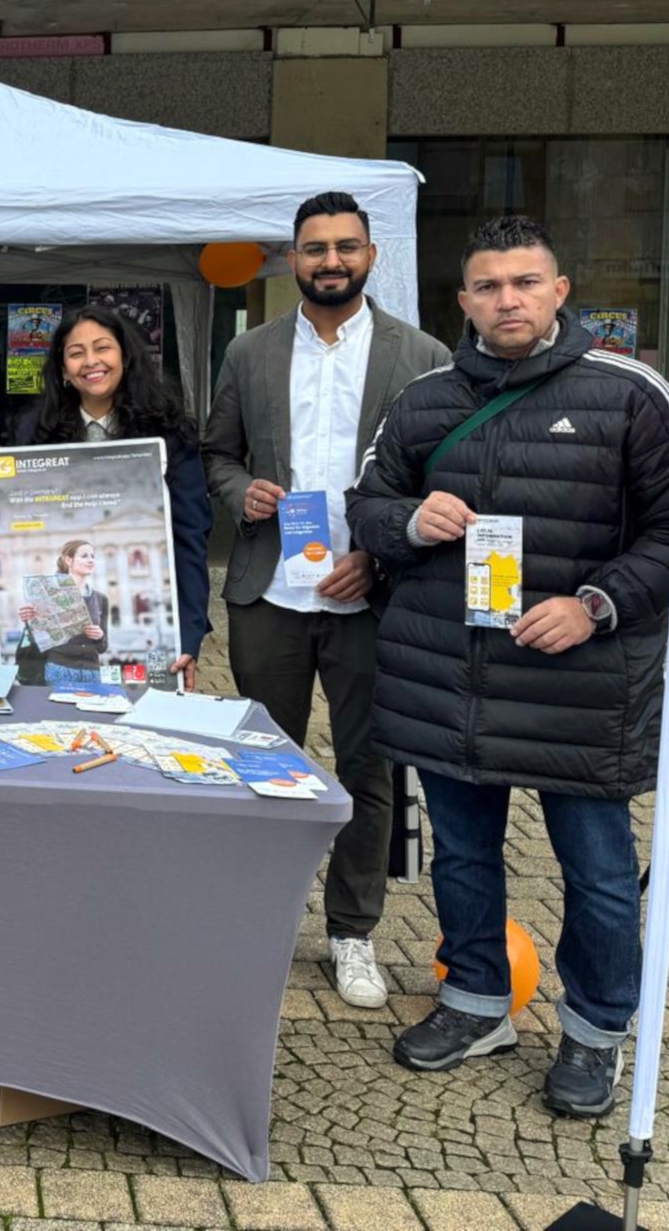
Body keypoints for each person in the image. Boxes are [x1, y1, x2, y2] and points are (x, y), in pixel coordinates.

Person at [348, 215, 669, 1118]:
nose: (508, 301)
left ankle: (597, 1028)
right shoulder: (422, 399)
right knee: (462, 854)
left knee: (599, 871)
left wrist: (594, 604)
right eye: (489, 286)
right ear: (463, 301)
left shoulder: (632, 396)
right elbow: (369, 504)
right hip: (448, 676)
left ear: (560, 290)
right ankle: (476, 1002)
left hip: (578, 684)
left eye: (525, 283)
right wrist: (410, 524)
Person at [202, 191, 452, 1011]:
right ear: (293, 258)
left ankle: (352, 931)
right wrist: (245, 496)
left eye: (346, 246)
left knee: (367, 772)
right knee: (262, 770)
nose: (331, 261)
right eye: (315, 248)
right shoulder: (252, 352)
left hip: (371, 597)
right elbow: (219, 456)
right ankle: (255, 922)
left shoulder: (421, 356)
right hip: (270, 592)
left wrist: (379, 560)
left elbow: (439, 485)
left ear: (371, 256)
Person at [0, 305, 211, 687]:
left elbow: (190, 538)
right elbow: (13, 519)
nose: (91, 361)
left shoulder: (168, 432)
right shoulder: (34, 429)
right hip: (53, 666)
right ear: (63, 369)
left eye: (103, 348)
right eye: (76, 352)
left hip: (148, 654)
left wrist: (189, 635)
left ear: (125, 356)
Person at [18, 539, 110, 684]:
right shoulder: (49, 594)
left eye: (93, 556)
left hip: (92, 673)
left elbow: (103, 647)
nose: (91, 560)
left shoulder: (101, 598)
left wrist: (99, 636)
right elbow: (39, 641)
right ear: (69, 560)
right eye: (84, 556)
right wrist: (29, 621)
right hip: (59, 670)